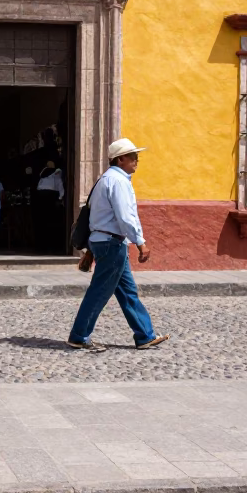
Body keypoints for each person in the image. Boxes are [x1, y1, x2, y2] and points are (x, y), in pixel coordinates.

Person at [67, 138, 169, 352]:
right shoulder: (118, 181)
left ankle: (144, 335)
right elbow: (125, 216)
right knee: (100, 292)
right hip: (111, 243)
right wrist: (140, 242)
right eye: (133, 156)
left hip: (107, 242)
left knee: (127, 291)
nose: (137, 160)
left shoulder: (107, 179)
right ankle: (79, 335)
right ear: (120, 159)